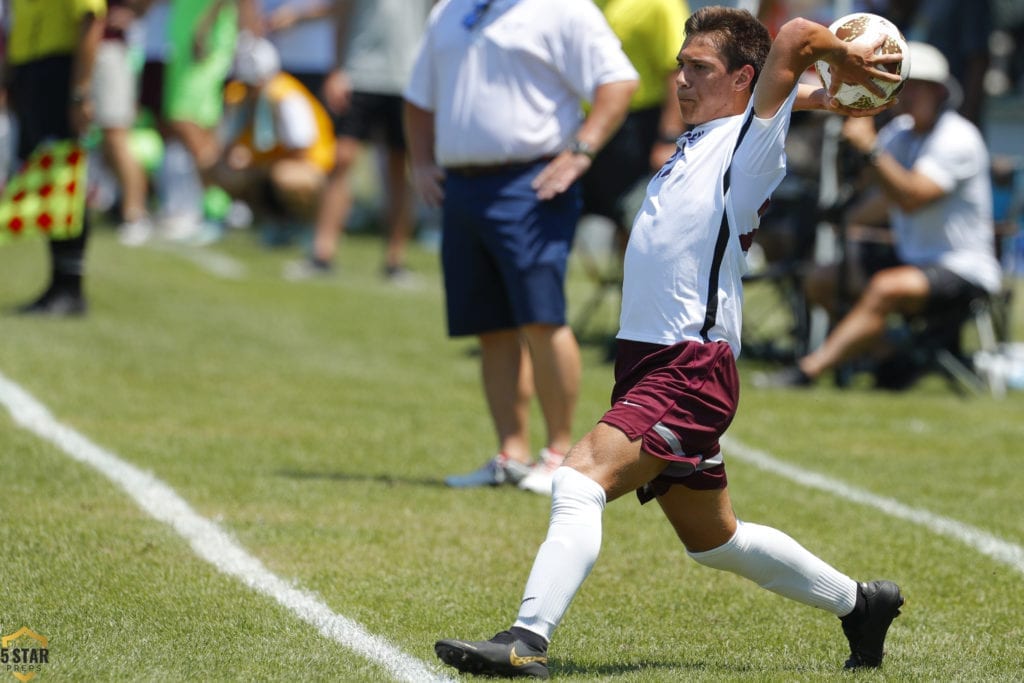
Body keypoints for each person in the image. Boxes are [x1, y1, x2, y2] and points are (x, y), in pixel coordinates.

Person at [432, 7, 905, 678]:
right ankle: (861, 603)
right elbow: (780, 81)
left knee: (579, 477)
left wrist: (844, 62)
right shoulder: (716, 130)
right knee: (715, 541)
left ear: (745, 77)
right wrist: (820, 93)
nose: (680, 80)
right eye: (680, 66)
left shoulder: (749, 144)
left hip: (688, 367)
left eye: (699, 69)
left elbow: (797, 36)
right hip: (648, 362)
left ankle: (525, 640)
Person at [403, 0, 638, 492]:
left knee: (542, 318)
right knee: (489, 326)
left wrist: (582, 150)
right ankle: (510, 454)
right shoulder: (450, 8)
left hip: (532, 182)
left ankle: (558, 455)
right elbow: (419, 96)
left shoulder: (564, 9)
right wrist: (421, 161)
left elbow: (618, 81)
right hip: (463, 187)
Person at [756, 42, 1002, 389]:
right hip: (911, 258)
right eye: (905, 86)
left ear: (940, 92)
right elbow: (872, 194)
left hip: (963, 267)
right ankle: (894, 357)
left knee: (884, 288)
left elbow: (912, 196)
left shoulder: (957, 137)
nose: (910, 94)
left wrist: (870, 149)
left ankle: (808, 370)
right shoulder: (900, 133)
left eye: (919, 86)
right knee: (823, 279)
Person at [284, 0, 431, 283]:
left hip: (407, 77)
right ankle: (322, 254)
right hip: (359, 72)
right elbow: (342, 11)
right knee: (342, 159)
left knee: (400, 168)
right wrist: (337, 68)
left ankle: (395, 261)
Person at [4, 0, 106, 315]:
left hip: (60, 70)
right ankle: (58, 283)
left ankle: (69, 287)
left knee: (65, 179)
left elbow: (90, 18)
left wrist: (80, 90)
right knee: (51, 182)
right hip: (31, 68)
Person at [208, 36, 335, 232]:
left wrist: (259, 164)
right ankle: (261, 220)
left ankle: (303, 225)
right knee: (217, 167)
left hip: (310, 166)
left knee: (284, 176)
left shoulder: (286, 97)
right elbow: (227, 143)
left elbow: (301, 151)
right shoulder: (240, 95)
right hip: (266, 163)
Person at [93, 0, 157, 247]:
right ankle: (122, 206)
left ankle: (136, 214)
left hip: (111, 51)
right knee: (105, 141)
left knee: (116, 136)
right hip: (95, 49)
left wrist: (131, 12)